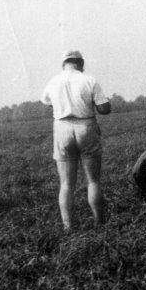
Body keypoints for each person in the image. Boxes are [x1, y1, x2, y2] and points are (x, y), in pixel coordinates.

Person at [41, 50, 112, 232]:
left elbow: (47, 101)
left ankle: (69, 228)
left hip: (62, 128)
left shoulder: (53, 81)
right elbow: (104, 109)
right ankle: (99, 223)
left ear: (64, 64)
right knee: (93, 180)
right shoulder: (89, 80)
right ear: (81, 63)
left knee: (66, 184)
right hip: (86, 126)